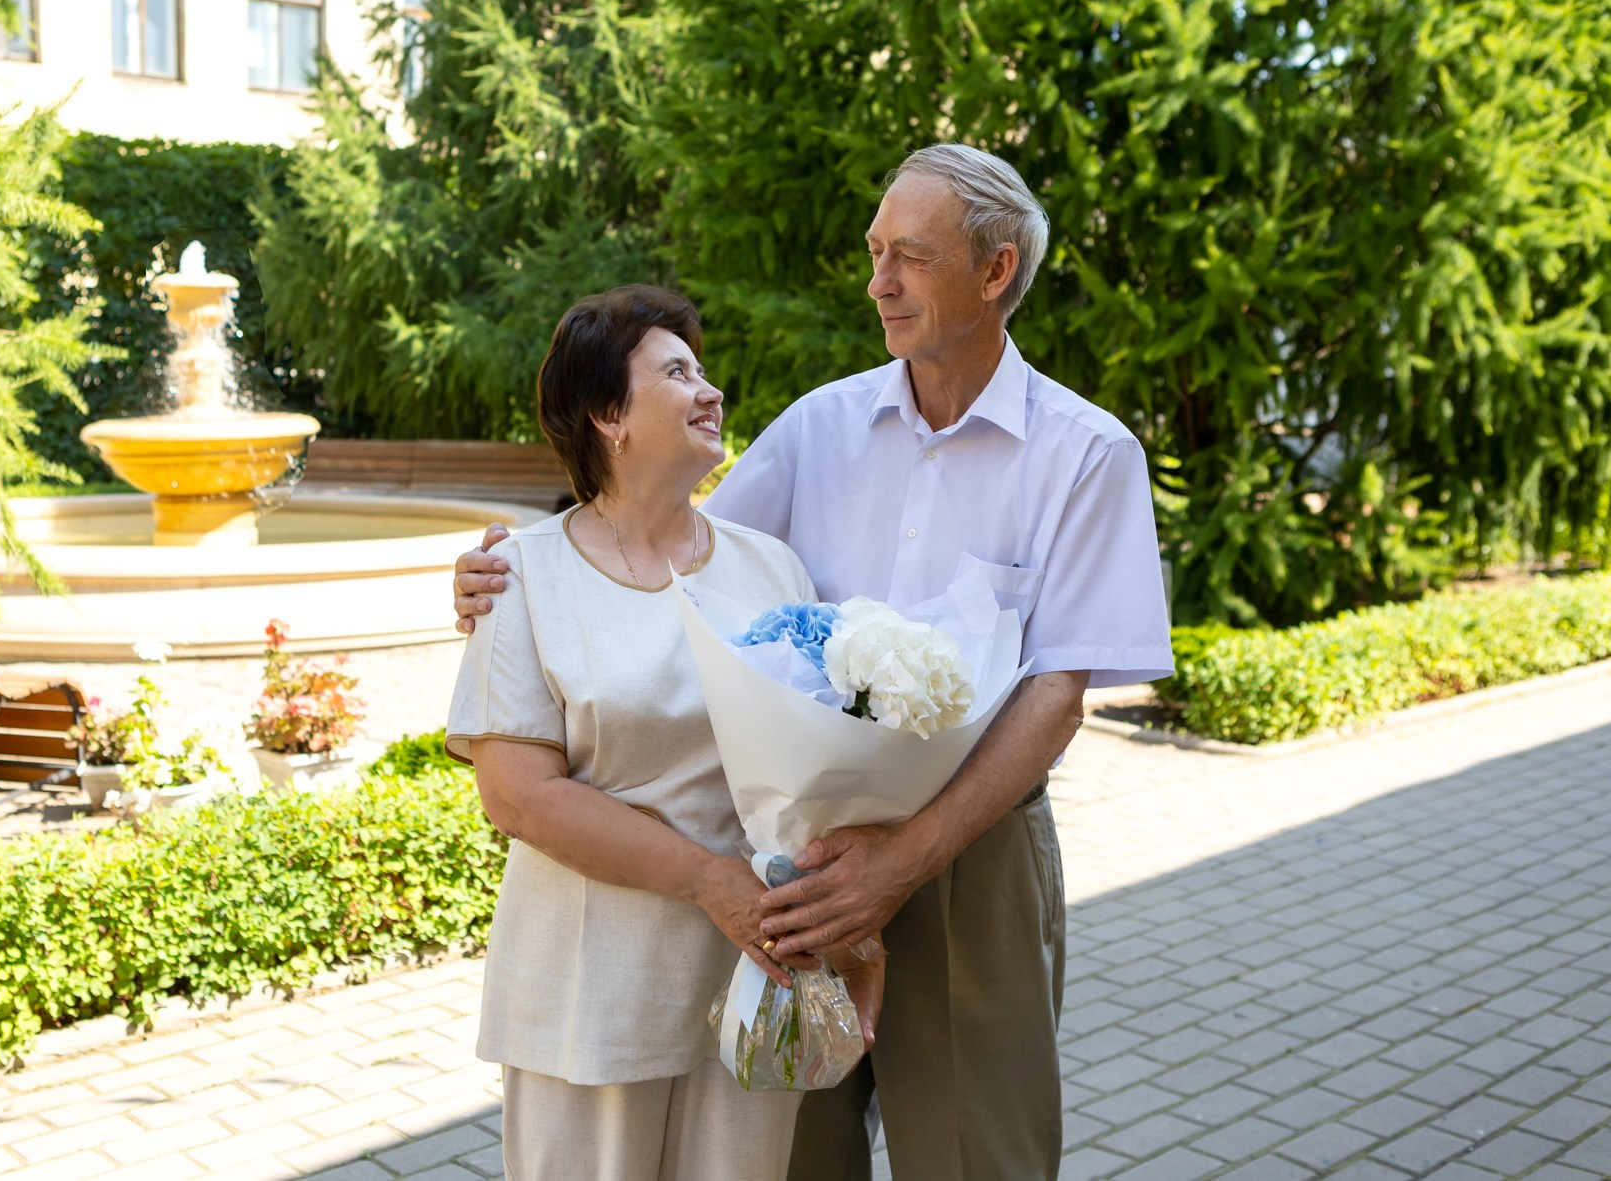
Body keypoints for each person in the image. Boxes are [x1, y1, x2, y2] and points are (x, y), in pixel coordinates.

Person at [454, 145, 1174, 1179]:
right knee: (793, 1158)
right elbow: (652, 555)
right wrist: (503, 576)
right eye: (875, 252)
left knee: (978, 1161)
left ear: (995, 270)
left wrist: (906, 857)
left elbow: (1055, 697)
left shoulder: (1085, 452)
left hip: (967, 862)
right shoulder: (817, 427)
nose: (878, 281)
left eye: (910, 257)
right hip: (792, 874)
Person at [446, 284, 885, 1181]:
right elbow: (517, 795)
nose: (711, 389)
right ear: (609, 413)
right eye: (678, 371)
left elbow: (821, 766)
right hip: (588, 989)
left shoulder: (772, 566)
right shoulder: (519, 573)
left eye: (703, 368)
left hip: (754, 976)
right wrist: (704, 879)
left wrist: (853, 930)